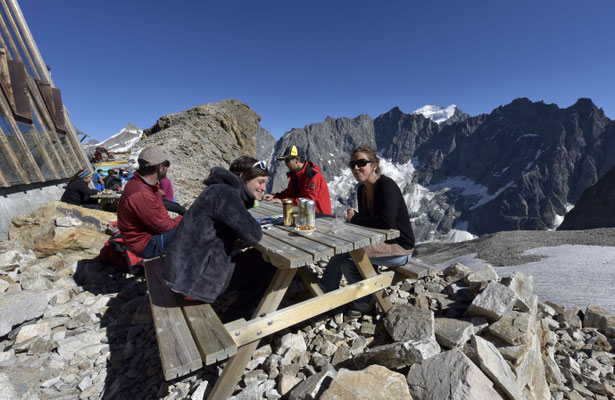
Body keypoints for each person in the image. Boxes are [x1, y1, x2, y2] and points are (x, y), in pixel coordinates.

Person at [163, 156, 275, 322]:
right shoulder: (227, 194)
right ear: (243, 177)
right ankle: (236, 318)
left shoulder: (217, 189)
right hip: (191, 283)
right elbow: (253, 234)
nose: (264, 188)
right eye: (260, 182)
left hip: (181, 272)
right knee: (269, 264)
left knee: (251, 258)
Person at [320, 145, 415, 316]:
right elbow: (366, 227)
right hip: (380, 244)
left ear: (374, 165)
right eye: (352, 164)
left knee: (345, 253)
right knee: (346, 264)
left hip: (400, 248)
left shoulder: (387, 186)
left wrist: (355, 219)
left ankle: (323, 295)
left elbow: (386, 222)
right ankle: (365, 301)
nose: (356, 168)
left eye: (361, 163)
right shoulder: (362, 190)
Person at [117, 147, 182, 258]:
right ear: (160, 168)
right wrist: (184, 218)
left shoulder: (142, 183)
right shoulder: (142, 193)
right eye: (167, 164)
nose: (168, 168)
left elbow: (160, 214)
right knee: (196, 227)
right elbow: (163, 226)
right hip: (145, 245)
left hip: (142, 239)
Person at [263, 145, 332, 215]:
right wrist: (275, 196)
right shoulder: (296, 174)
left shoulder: (313, 176)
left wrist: (282, 201)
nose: (285, 164)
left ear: (297, 160)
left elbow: (308, 201)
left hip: (321, 217)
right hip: (305, 214)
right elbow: (289, 192)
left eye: (287, 160)